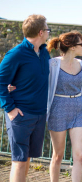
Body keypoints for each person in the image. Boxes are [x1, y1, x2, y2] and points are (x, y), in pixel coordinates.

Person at [0, 14, 51, 182]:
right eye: (48, 29)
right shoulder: (15, 54)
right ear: (41, 32)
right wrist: (10, 108)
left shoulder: (44, 54)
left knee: (27, 158)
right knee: (19, 161)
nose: (49, 32)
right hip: (21, 115)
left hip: (39, 115)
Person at [46, 31, 82, 182]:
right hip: (58, 110)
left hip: (78, 110)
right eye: (81, 44)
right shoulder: (53, 64)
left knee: (80, 156)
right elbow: (40, 86)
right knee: (58, 156)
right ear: (71, 47)